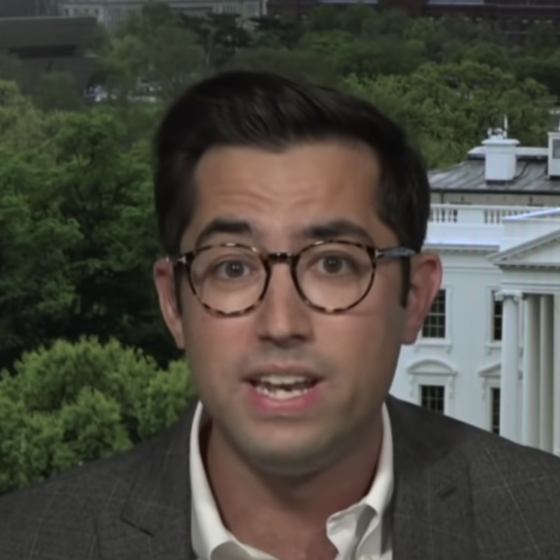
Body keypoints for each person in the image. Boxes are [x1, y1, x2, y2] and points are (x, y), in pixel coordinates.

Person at [0, 70, 559, 560]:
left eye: (334, 263)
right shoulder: (28, 541)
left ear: (414, 296)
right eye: (233, 267)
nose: (281, 323)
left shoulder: (541, 524)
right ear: (173, 303)